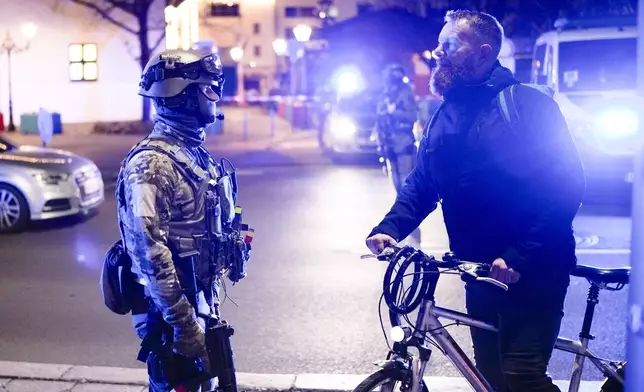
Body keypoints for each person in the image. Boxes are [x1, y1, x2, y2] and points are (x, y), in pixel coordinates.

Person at [366, 10, 585, 392]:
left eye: (449, 45)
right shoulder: (447, 112)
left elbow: (565, 187)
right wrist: (390, 228)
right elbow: (424, 182)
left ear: (483, 53)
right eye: (439, 43)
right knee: (491, 378)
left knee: (522, 376)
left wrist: (518, 257)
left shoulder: (526, 105)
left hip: (534, 270)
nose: (437, 52)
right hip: (479, 270)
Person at [116, 48, 250, 392]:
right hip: (170, 313)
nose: (215, 97)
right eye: (208, 89)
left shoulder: (192, 153)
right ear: (183, 96)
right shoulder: (152, 164)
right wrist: (185, 325)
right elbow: (148, 253)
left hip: (199, 300)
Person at [375, 63, 419, 194]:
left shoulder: (405, 93)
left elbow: (412, 116)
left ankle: (404, 204)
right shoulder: (385, 94)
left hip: (402, 140)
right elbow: (379, 119)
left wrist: (395, 112)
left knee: (405, 176)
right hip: (388, 141)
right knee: (393, 174)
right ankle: (400, 202)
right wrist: (379, 141)